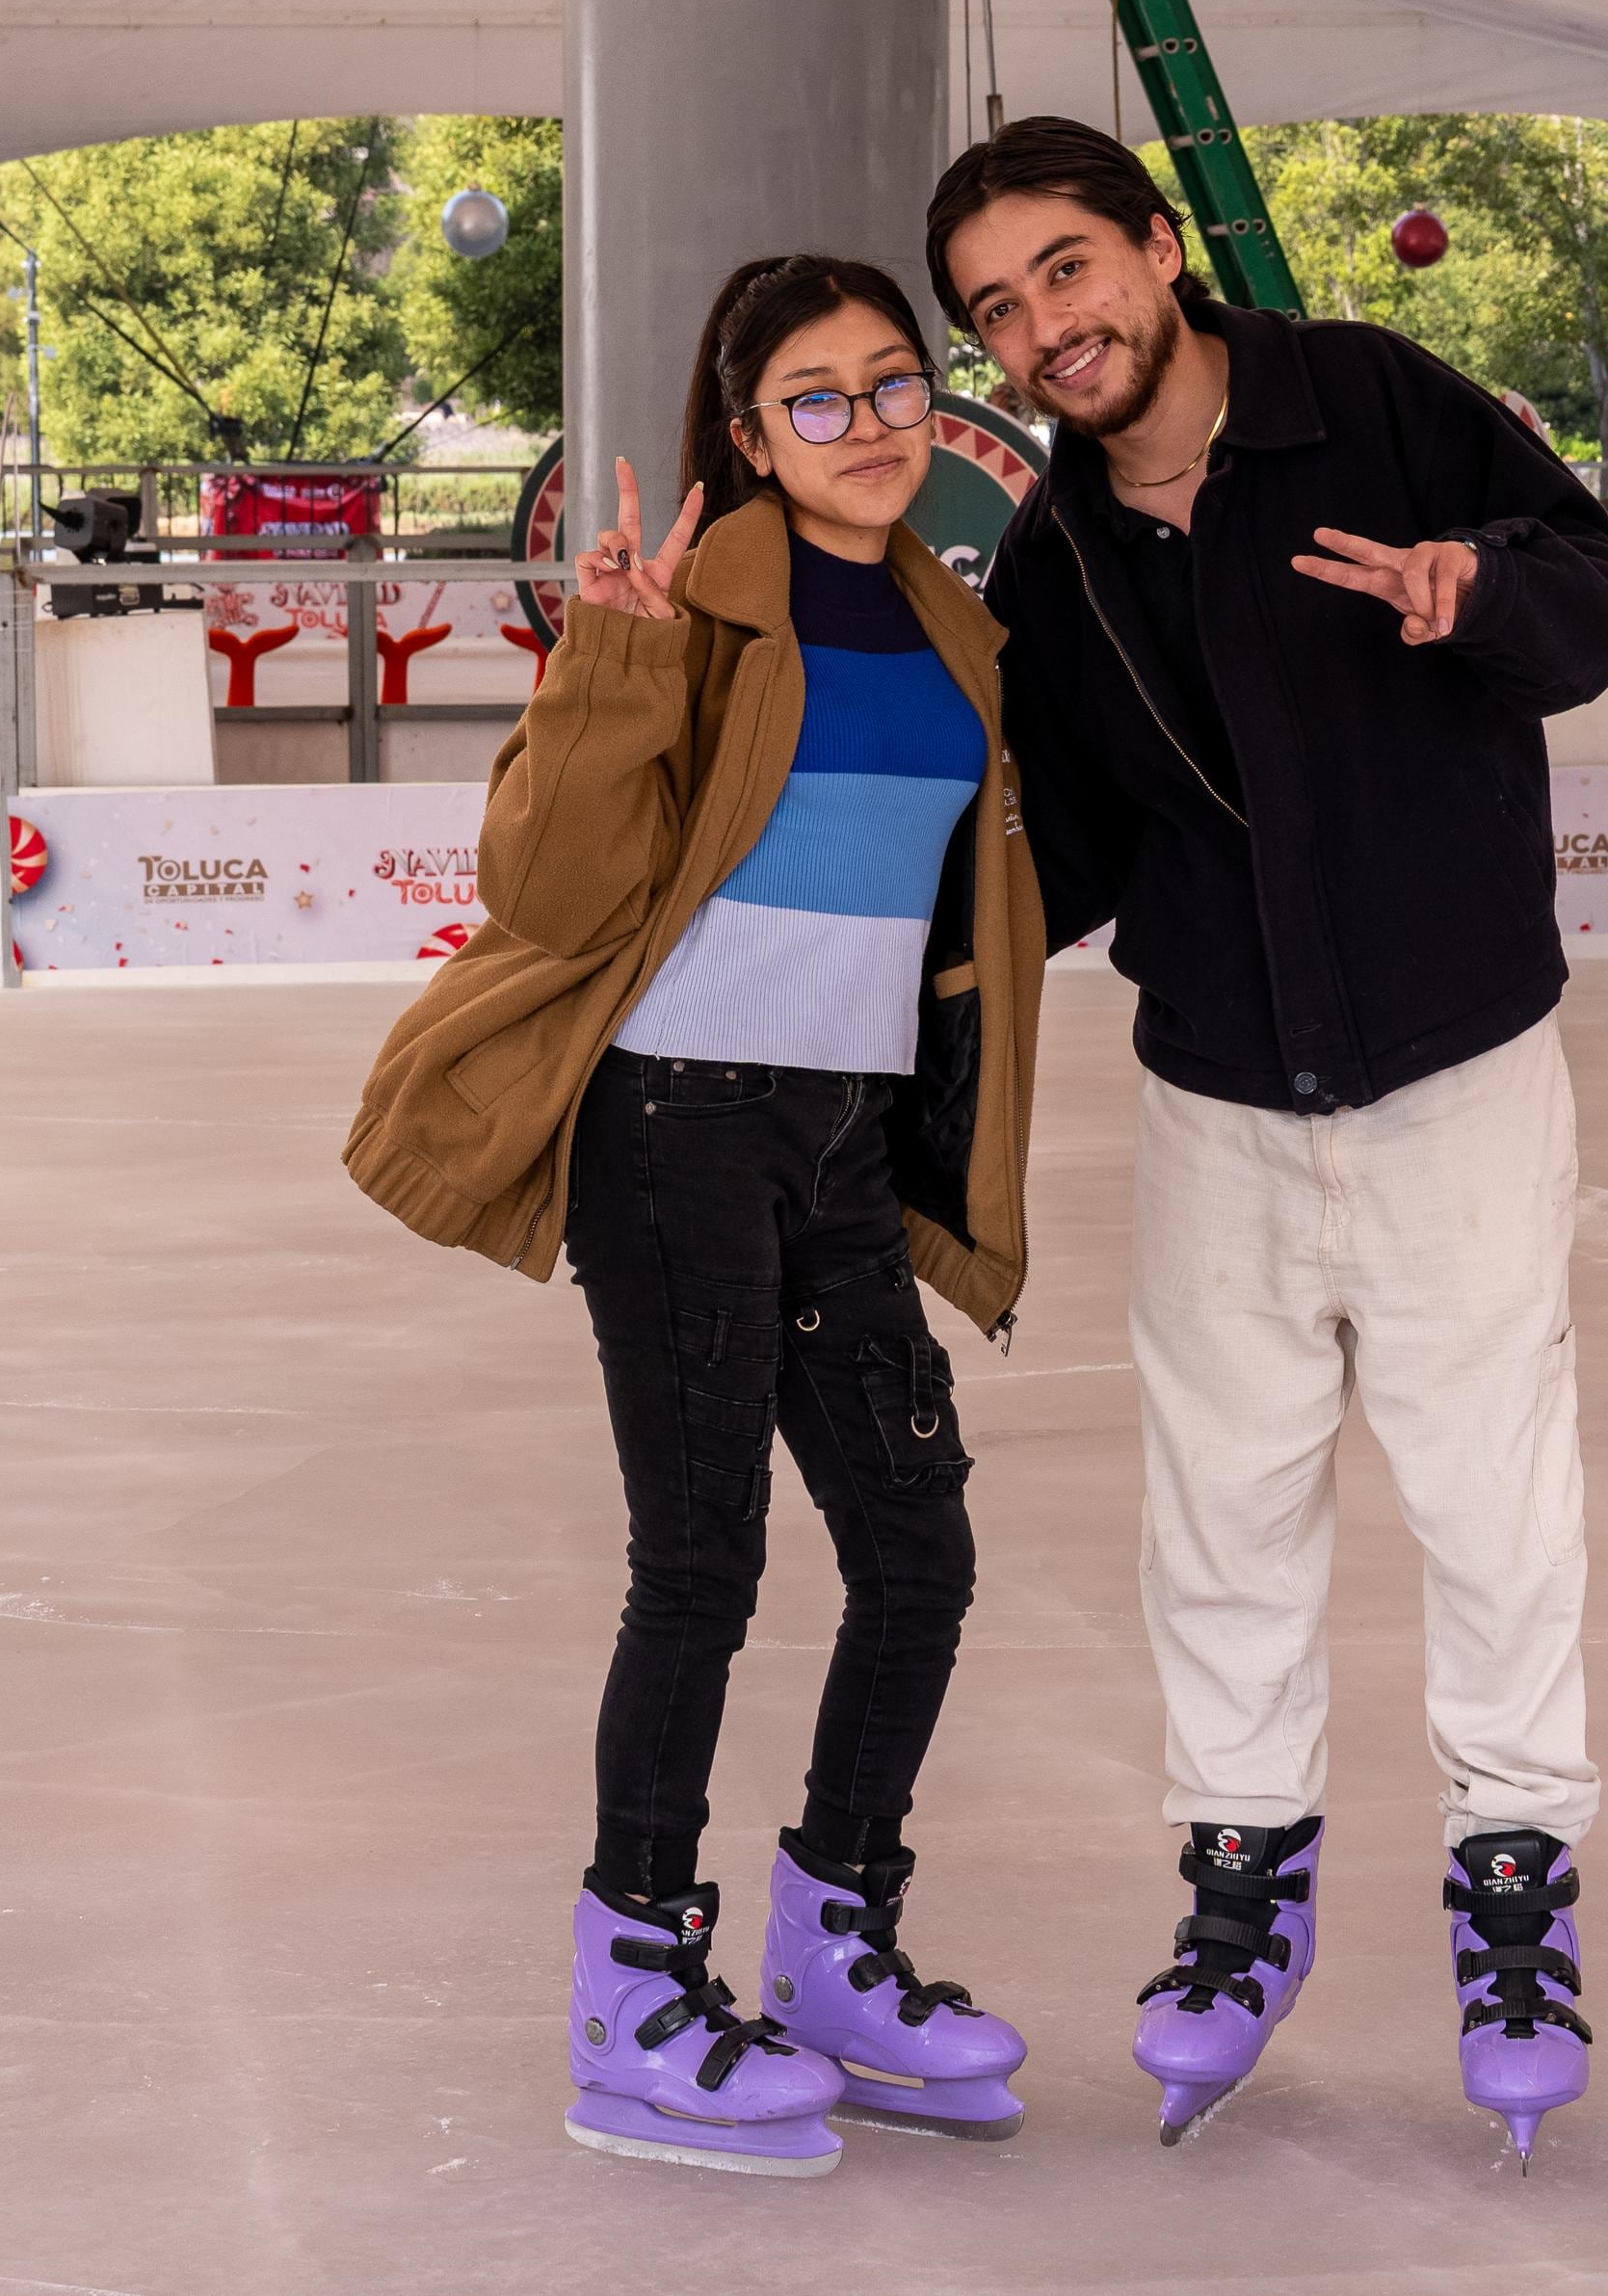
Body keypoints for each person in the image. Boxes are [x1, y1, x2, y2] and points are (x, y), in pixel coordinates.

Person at [927, 119, 1608, 2163]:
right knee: (1219, 1515)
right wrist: (896, 899)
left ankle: (1514, 1897)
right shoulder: (1052, 555)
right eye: (998, 307)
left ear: (1156, 252)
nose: (1045, 326)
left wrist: (1474, 589)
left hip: (1453, 1064)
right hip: (1219, 1086)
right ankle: (1240, 1897)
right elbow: (1064, 842)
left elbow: (1598, 595)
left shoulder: (1379, 407)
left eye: (1068, 269)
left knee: (1493, 1498)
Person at [343, 253, 1046, 2179]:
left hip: (841, 1138)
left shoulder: (953, 625)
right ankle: (634, 1985)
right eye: (816, 399)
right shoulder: (692, 611)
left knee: (918, 1555)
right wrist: (614, 658)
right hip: (674, 1128)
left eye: (897, 385)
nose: (872, 427)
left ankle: (837, 1946)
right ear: (746, 435)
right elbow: (550, 890)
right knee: (706, 1559)